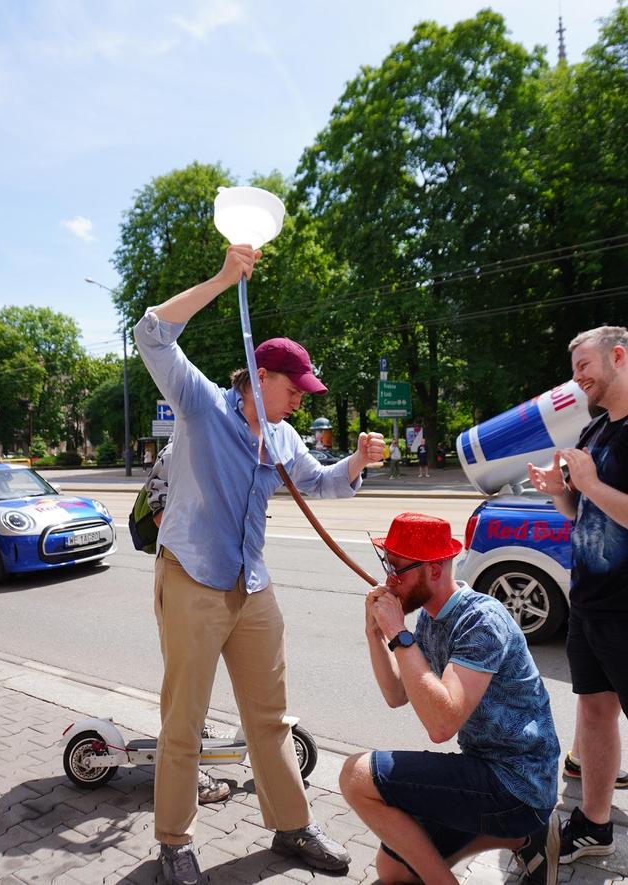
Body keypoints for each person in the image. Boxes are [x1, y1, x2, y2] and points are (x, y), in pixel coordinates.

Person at [134, 243, 385, 885]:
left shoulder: (281, 434)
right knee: (184, 719)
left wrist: (356, 464)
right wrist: (223, 277)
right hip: (191, 578)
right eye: (294, 388)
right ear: (258, 375)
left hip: (252, 587)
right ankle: (174, 843)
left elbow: (321, 483)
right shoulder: (200, 404)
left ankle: (292, 826)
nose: (301, 401)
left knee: (270, 718)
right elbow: (153, 332)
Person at [339, 511, 560, 885]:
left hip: (517, 783)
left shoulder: (482, 621)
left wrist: (397, 632)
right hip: (482, 771)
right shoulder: (430, 617)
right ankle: (526, 838)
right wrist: (375, 634)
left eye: (398, 568)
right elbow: (396, 695)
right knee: (394, 870)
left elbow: (441, 724)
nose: (389, 579)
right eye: (386, 565)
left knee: (356, 776)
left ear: (436, 569)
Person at [527, 325, 628, 865]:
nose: (577, 377)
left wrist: (587, 485)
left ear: (618, 356)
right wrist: (563, 493)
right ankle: (595, 825)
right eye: (574, 368)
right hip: (591, 602)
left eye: (585, 365)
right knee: (594, 710)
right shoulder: (594, 433)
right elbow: (582, 514)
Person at [145, 439, 231, 805]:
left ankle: (193, 730)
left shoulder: (220, 448)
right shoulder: (177, 451)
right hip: (183, 574)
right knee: (183, 679)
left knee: (200, 675)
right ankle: (188, 771)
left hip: (216, 575)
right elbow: (161, 515)